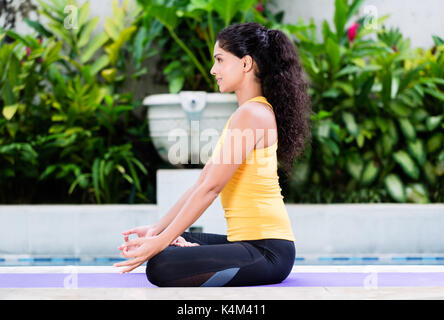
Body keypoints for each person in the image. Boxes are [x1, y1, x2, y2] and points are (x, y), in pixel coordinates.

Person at [114, 22, 312, 287]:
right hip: (249, 244)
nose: (213, 70)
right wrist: (157, 231)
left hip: (267, 251)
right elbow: (202, 181)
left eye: (220, 60)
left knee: (162, 263)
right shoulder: (249, 112)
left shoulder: (251, 114)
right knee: (169, 244)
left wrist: (159, 242)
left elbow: (211, 188)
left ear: (246, 64)